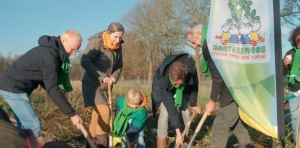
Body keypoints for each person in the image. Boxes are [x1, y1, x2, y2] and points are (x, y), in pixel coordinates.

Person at [0, 30, 83, 144]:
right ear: (63, 41)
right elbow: (52, 89)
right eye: (73, 49)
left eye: (77, 50)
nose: (74, 53)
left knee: (24, 126)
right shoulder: (50, 56)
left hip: (15, 87)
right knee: (31, 125)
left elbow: (46, 81)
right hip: (13, 87)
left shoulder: (55, 52)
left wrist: (58, 92)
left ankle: (18, 143)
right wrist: (72, 115)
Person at [185, 22, 254, 148]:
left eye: (194, 41)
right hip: (237, 86)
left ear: (200, 33)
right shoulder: (216, 39)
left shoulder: (209, 46)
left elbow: (218, 77)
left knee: (221, 126)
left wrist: (212, 100)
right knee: (234, 124)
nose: (195, 46)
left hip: (232, 88)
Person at [81, 22, 124, 148]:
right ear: (108, 33)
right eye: (115, 37)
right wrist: (103, 77)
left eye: (120, 37)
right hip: (91, 85)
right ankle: (101, 144)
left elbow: (119, 65)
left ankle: (91, 144)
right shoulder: (96, 42)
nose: (118, 40)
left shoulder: (119, 46)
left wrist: (114, 77)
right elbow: (85, 61)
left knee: (97, 115)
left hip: (106, 87)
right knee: (105, 113)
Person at [151, 53, 201, 147]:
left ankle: (185, 141)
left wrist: (193, 103)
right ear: (170, 75)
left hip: (184, 89)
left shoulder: (191, 70)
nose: (177, 86)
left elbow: (194, 86)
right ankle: (162, 144)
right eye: (175, 83)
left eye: (179, 84)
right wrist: (177, 132)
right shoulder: (163, 79)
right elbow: (171, 109)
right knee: (165, 114)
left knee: (185, 113)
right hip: (166, 89)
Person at [283, 26, 300, 141]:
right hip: (294, 90)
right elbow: (284, 73)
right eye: (298, 40)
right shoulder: (290, 53)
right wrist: (284, 64)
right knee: (295, 117)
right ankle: (297, 141)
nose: (299, 43)